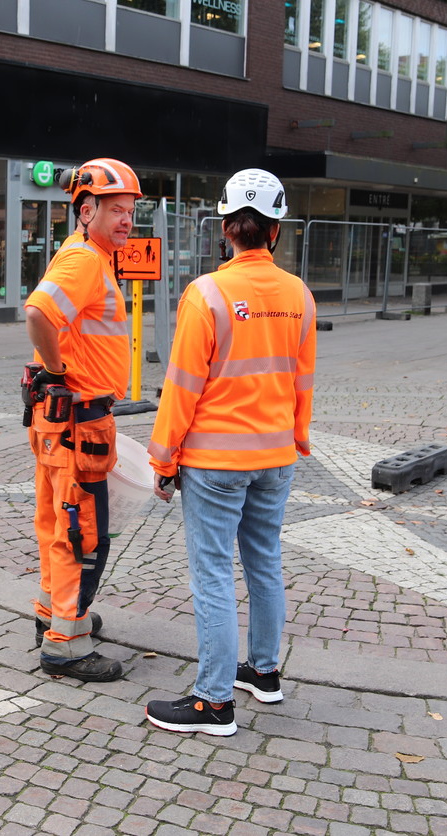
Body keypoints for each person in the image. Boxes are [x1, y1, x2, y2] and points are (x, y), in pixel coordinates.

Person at [144, 168, 316, 735]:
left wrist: (164, 461)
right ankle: (263, 673)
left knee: (213, 572)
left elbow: (182, 386)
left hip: (216, 462)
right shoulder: (300, 294)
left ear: (225, 229)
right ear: (275, 232)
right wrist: (297, 438)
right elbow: (302, 380)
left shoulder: (207, 293)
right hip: (274, 457)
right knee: (264, 561)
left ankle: (214, 701)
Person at [24, 157, 142, 682]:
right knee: (81, 532)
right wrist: (59, 370)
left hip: (61, 423)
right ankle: (66, 643)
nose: (126, 221)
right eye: (116, 210)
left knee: (56, 522)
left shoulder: (85, 255)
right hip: (78, 424)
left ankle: (54, 613)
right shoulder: (86, 261)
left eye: (130, 211)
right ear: (86, 209)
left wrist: (56, 375)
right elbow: (38, 314)